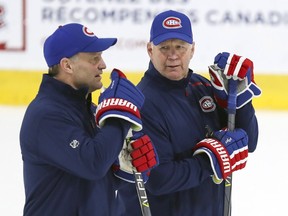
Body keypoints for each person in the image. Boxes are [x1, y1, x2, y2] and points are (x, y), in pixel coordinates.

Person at [116, 10, 261, 216]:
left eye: (180, 47)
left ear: (192, 49)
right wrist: (210, 162)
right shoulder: (143, 104)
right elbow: (157, 178)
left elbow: (249, 143)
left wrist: (240, 102)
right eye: (164, 47)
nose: (173, 55)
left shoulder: (202, 87)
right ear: (150, 50)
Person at [19, 23, 158, 216]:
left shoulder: (89, 110)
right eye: (94, 58)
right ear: (67, 65)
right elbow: (93, 164)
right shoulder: (45, 116)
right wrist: (120, 117)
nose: (103, 65)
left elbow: (95, 179)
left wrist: (122, 169)